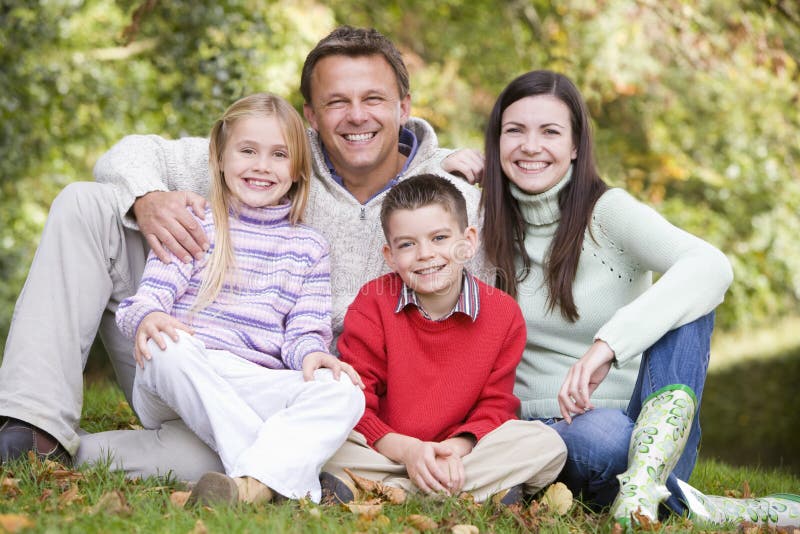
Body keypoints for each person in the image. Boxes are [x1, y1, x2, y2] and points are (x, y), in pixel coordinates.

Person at [0, 26, 486, 479]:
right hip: (175, 351)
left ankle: (65, 454)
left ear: (404, 107)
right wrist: (146, 198)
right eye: (337, 102)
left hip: (288, 387)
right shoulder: (275, 155)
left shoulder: (452, 194)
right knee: (87, 202)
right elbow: (129, 154)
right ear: (311, 118)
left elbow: (492, 307)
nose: (357, 116)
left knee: (205, 459)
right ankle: (34, 421)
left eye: (373, 99)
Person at [480, 69, 799, 528]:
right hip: (539, 434)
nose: (531, 146)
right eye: (515, 131)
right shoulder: (477, 216)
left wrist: (608, 346)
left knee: (692, 304)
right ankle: (678, 501)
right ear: (496, 142)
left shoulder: (607, 213)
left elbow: (712, 266)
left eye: (550, 131)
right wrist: (451, 160)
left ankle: (646, 481)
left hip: (642, 427)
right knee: (600, 438)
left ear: (575, 146)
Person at [115, 92, 365, 504]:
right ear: (220, 156)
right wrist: (147, 318)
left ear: (299, 169)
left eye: (279, 155)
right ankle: (272, 473)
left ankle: (249, 488)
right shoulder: (197, 222)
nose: (261, 166)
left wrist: (311, 355)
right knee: (168, 344)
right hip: (181, 374)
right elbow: (146, 301)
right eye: (247, 150)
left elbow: (304, 332)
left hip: (252, 382)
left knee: (343, 389)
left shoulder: (308, 246)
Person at [320, 174, 566, 504]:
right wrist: (408, 450)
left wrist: (452, 450)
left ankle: (397, 491)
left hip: (458, 454)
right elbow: (356, 401)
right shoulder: (373, 303)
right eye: (407, 244)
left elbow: (495, 406)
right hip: (385, 448)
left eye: (439, 238)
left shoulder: (502, 313)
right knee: (325, 436)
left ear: (468, 241)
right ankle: (463, 490)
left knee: (546, 444)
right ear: (390, 255)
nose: (425, 254)